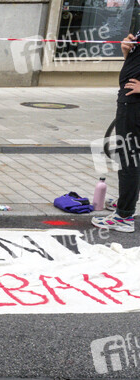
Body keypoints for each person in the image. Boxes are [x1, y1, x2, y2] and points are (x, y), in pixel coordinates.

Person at [93, 30, 139, 233]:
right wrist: (127, 51)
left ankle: (125, 215)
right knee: (131, 157)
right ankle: (127, 203)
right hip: (130, 101)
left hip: (134, 104)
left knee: (129, 158)